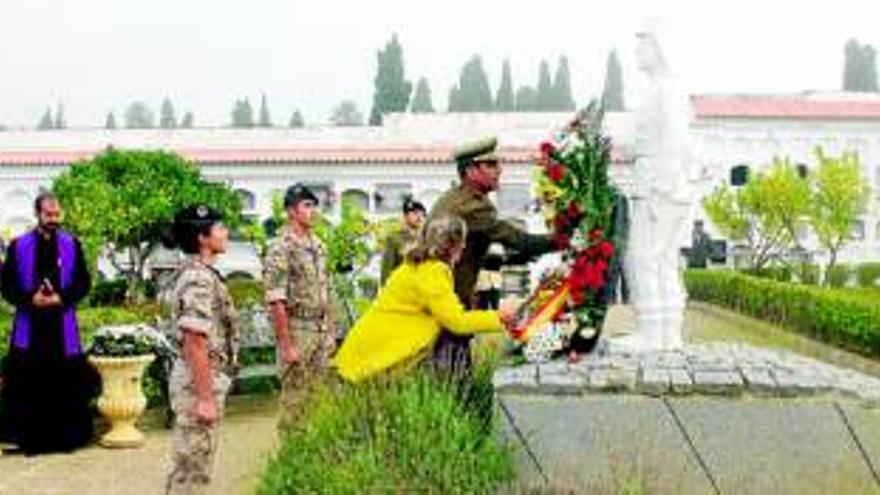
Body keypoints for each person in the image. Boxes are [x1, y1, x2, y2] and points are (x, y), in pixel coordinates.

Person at [429, 136, 556, 378]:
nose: (499, 170)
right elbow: (520, 240)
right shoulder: (472, 206)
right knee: (451, 375)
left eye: (498, 164)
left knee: (451, 368)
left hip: (442, 296)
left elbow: (472, 253)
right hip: (446, 301)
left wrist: (510, 260)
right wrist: (563, 239)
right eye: (491, 165)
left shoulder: (458, 198)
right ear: (470, 171)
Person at [334, 216, 516, 383]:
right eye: (461, 241)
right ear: (451, 244)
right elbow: (457, 321)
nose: (464, 246)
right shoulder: (432, 272)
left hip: (365, 354)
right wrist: (499, 317)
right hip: (372, 363)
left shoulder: (415, 265)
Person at [0, 192, 96, 455]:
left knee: (64, 385)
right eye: (48, 215)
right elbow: (6, 284)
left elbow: (83, 282)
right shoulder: (18, 246)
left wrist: (60, 298)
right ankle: (30, 440)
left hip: (61, 324)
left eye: (57, 214)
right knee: (30, 385)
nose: (54, 219)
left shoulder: (71, 244)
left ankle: (66, 440)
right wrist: (30, 299)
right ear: (38, 214)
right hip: (30, 326)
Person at [164, 204, 239, 495]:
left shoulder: (203, 273)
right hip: (198, 384)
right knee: (193, 470)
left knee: (193, 466)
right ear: (202, 238)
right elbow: (195, 340)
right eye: (219, 228)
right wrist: (206, 398)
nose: (226, 232)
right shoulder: (198, 278)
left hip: (201, 379)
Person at [263, 183, 337, 428]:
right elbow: (276, 299)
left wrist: (331, 332)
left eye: (314, 205)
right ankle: (291, 456)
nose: (313, 211)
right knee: (295, 400)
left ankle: (311, 456)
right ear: (291, 211)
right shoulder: (280, 247)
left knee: (319, 397)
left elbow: (329, 290)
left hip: (319, 328)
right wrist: (286, 344)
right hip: (297, 329)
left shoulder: (319, 246)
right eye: (306, 205)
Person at [380, 196, 426, 286]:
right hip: (401, 289)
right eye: (415, 213)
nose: (419, 216)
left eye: (422, 214)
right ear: (405, 216)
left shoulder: (426, 239)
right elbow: (387, 269)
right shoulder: (394, 238)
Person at [474, 244, 504, 310]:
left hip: (490, 286)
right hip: (487, 286)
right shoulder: (482, 262)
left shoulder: (483, 262)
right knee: (487, 307)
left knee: (489, 307)